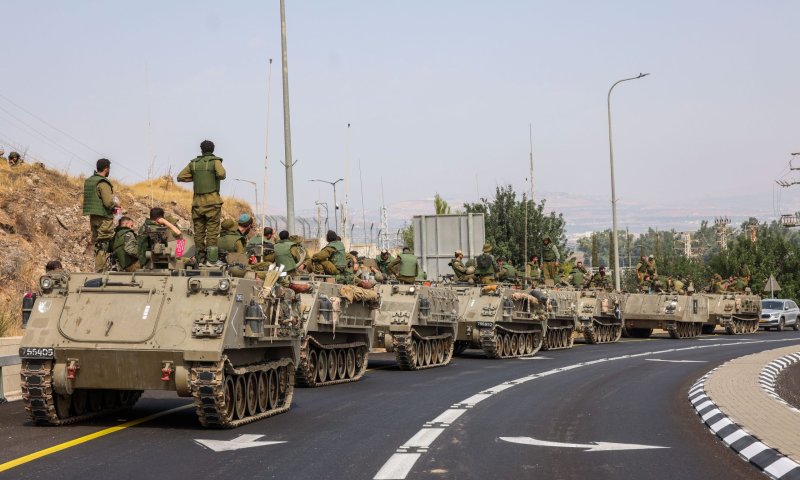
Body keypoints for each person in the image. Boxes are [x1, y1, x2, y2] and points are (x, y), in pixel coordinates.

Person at [177, 139, 226, 266]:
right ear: (213, 150)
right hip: (212, 203)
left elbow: (180, 177)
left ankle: (200, 260)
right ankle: (212, 260)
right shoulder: (215, 161)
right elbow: (222, 174)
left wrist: (195, 177)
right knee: (212, 232)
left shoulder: (193, 164)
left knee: (198, 233)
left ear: (201, 150)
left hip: (197, 204)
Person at [83, 158, 119, 272]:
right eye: (109, 169)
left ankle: (99, 269)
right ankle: (101, 271)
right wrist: (116, 204)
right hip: (104, 218)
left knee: (97, 243)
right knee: (103, 244)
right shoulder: (103, 183)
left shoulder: (89, 181)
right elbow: (108, 202)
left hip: (93, 217)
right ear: (106, 168)